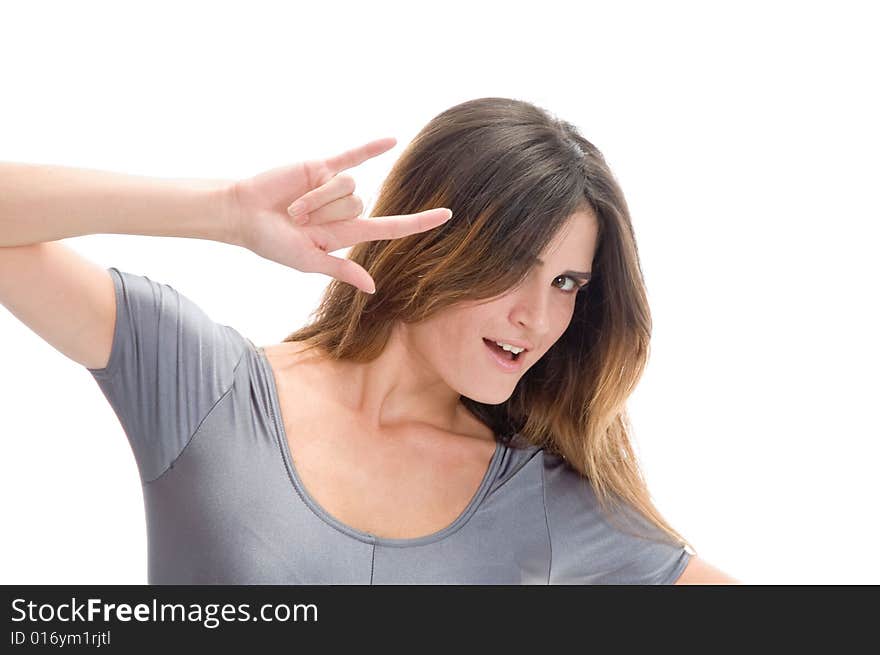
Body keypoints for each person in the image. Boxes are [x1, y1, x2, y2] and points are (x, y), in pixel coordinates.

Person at [0, 96, 739, 584]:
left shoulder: (544, 500)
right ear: (430, 240)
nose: (537, 318)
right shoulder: (210, 391)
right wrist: (224, 212)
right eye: (517, 265)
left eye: (567, 285)